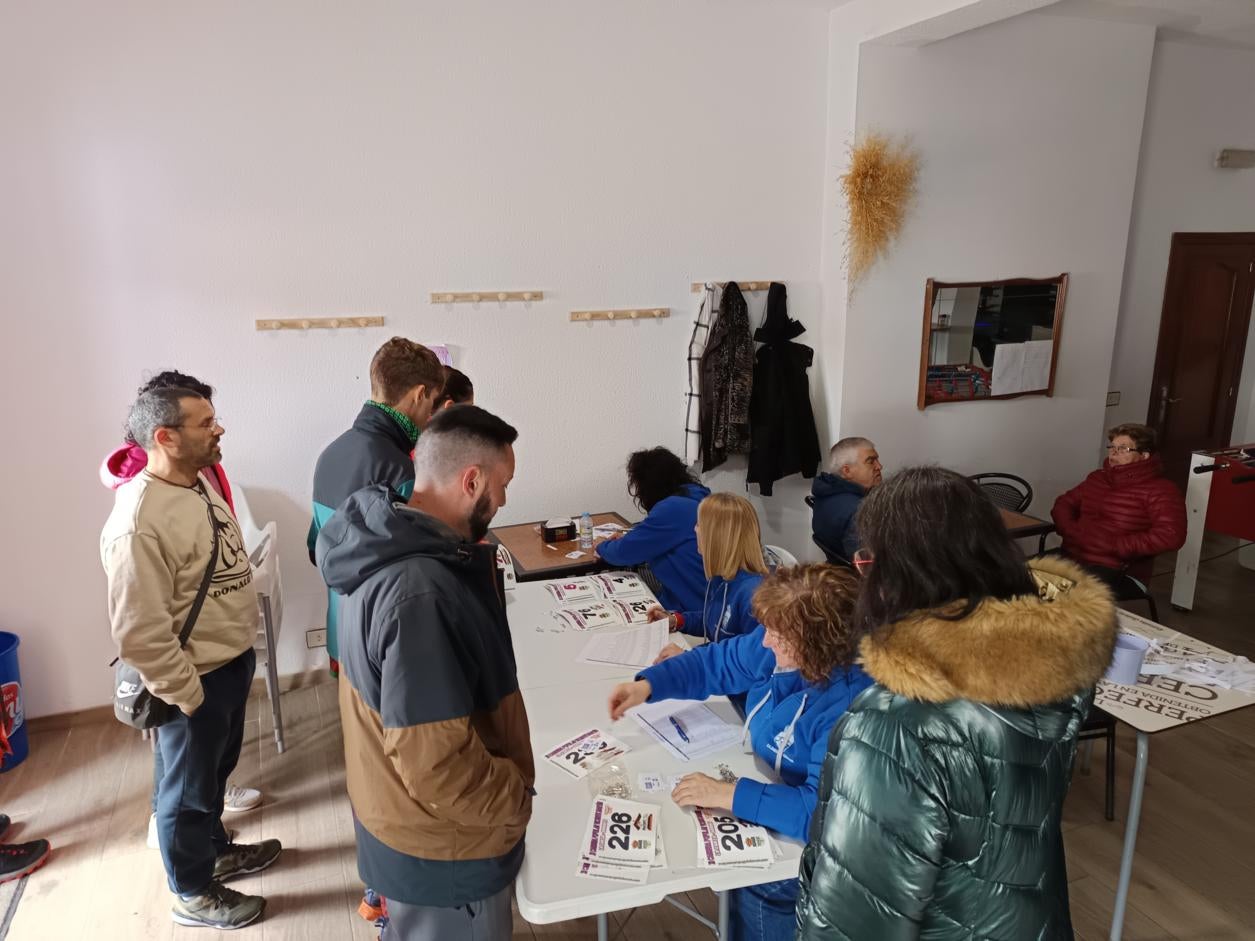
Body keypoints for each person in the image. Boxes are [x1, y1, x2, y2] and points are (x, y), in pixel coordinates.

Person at [794, 466, 1117, 940]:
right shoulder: (1051, 666)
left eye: (869, 560)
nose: (864, 573)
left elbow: (854, 922)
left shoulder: (895, 725)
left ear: (902, 572)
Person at [316, 406, 532, 941]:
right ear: (471, 479)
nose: (503, 500)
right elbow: (439, 767)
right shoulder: (421, 594)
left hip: (410, 831)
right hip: (445, 852)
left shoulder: (394, 547)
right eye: (502, 484)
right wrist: (515, 797)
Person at [608, 564, 872, 941]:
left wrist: (729, 794)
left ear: (818, 643)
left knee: (760, 885)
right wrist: (648, 687)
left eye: (777, 635)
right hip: (778, 788)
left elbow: (822, 814)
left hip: (839, 851)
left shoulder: (851, 708)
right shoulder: (783, 643)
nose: (766, 642)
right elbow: (717, 662)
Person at [101, 387, 282, 930]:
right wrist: (187, 694)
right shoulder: (138, 521)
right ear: (165, 437)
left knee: (212, 777)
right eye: (205, 423)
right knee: (185, 791)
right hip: (193, 679)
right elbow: (139, 632)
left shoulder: (196, 481)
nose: (218, 429)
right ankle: (193, 894)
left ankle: (214, 851)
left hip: (228, 662)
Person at [308, 337, 445, 678]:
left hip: (341, 634)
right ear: (419, 394)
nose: (431, 416)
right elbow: (417, 574)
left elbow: (316, 548)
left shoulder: (330, 455)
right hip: (380, 647)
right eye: (433, 404)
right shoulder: (399, 470)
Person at [1051, 422, 1186, 587]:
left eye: (1123, 449)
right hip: (1072, 556)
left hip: (1118, 569)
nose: (1114, 453)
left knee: (1057, 594)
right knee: (1017, 576)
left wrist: (1116, 545)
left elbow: (1171, 535)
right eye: (1112, 447)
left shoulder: (1161, 489)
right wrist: (1070, 530)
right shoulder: (1097, 478)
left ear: (1144, 455)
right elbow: (1064, 504)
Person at [649, 492, 768, 664]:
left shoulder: (753, 596)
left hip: (734, 687)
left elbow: (750, 662)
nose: (695, 529)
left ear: (716, 536)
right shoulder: (722, 578)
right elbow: (715, 622)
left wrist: (690, 659)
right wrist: (677, 620)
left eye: (699, 524)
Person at [595, 447, 710, 611]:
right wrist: (630, 535)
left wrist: (600, 546)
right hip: (706, 594)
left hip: (691, 606)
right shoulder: (698, 497)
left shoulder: (672, 508)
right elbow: (659, 531)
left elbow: (623, 553)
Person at [809, 436, 881, 562]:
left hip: (835, 566)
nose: (879, 466)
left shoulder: (825, 492)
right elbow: (867, 565)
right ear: (847, 471)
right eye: (871, 461)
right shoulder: (858, 511)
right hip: (853, 577)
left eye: (877, 460)